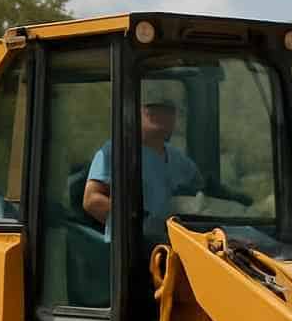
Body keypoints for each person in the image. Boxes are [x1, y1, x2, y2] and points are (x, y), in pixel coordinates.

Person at [82, 88, 202, 242]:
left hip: (172, 246)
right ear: (136, 112)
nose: (162, 115)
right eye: (153, 109)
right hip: (131, 249)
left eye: (168, 110)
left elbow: (203, 196)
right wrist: (137, 224)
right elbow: (91, 200)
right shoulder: (116, 151)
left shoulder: (180, 160)